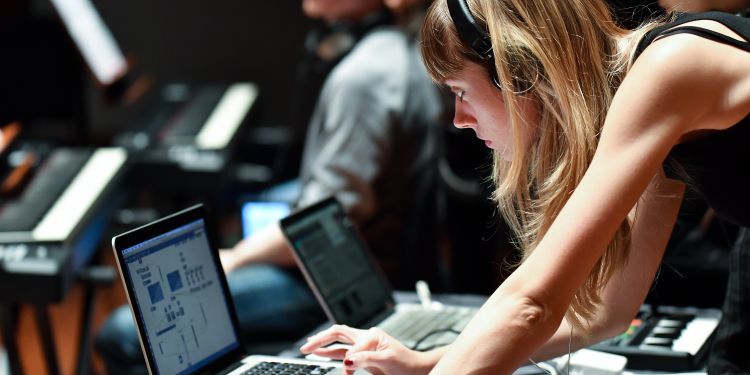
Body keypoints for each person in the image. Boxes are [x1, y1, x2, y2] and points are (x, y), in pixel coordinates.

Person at [300, 0, 750, 373]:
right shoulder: (649, 94)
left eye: (460, 90)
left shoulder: (670, 68)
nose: (459, 119)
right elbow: (608, 311)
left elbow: (532, 303)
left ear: (518, 70)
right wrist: (428, 364)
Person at [94, 1, 442, 374]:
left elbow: (321, 225)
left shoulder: (362, 80)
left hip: (331, 286)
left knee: (122, 334)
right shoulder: (399, 49)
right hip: (361, 265)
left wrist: (236, 259)